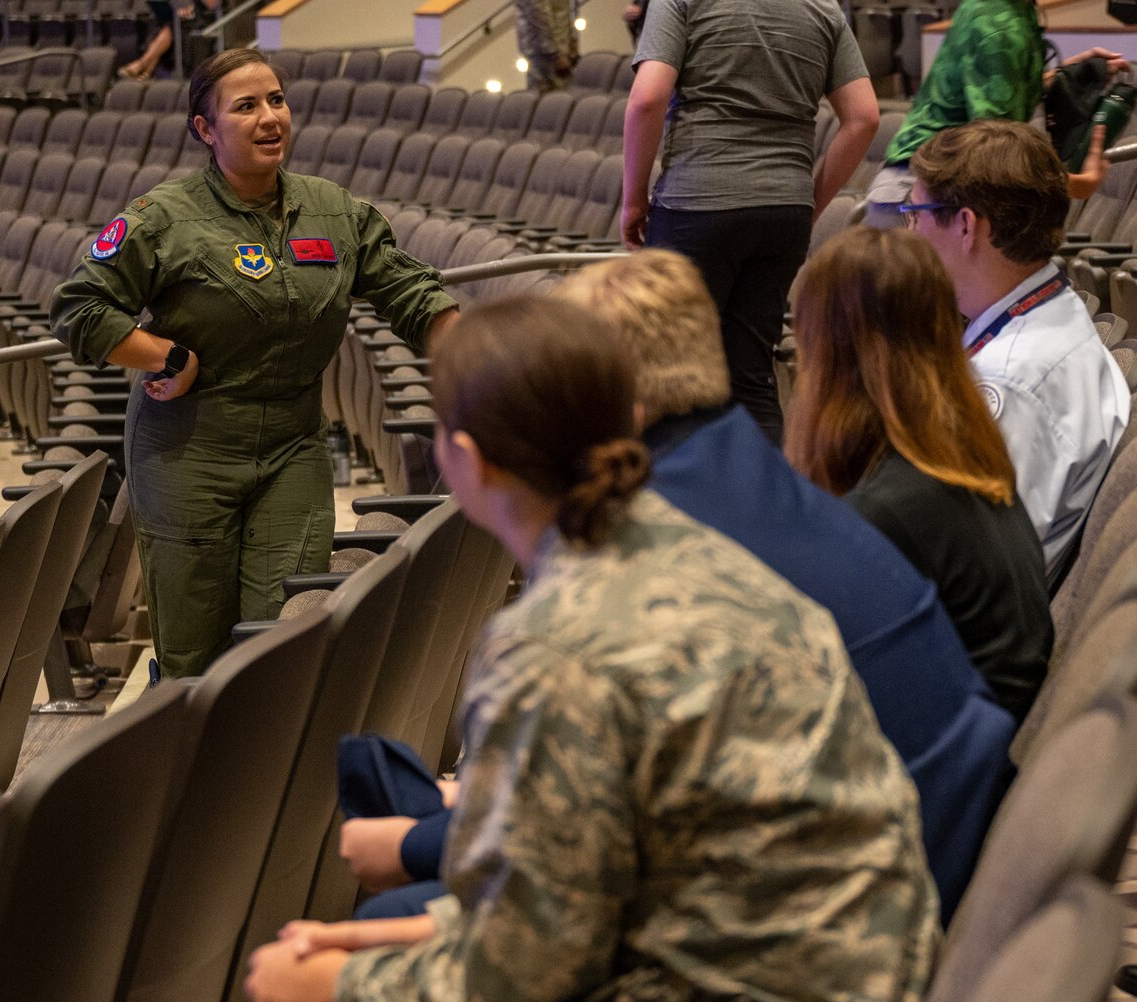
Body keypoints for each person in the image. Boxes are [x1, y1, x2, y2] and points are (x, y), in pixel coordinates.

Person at [164, 295, 942, 1002]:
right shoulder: (702, 558)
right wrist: (378, 944)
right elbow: (576, 898)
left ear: (464, 461)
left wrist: (334, 985)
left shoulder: (555, 650)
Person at [341, 249, 1018, 919]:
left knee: (398, 914)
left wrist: (422, 840)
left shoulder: (663, 531)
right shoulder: (731, 462)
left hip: (854, 897)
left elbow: (602, 825)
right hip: (889, 840)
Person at [52, 50, 457, 680]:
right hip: (188, 448)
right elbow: (79, 307)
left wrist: (481, 355)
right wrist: (164, 354)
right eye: (246, 107)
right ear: (205, 129)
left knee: (284, 640)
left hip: (292, 444)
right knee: (195, 652)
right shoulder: (164, 217)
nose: (270, 118)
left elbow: (411, 293)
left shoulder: (332, 210)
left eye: (277, 100)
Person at [787, 224, 1054, 724]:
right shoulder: (962, 462)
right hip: (980, 752)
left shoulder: (889, 512)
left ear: (829, 355)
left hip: (943, 781)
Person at [622, 0, 881, 444]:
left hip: (697, 201)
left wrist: (632, 201)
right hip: (785, 212)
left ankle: (677, 509)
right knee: (751, 379)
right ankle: (767, 509)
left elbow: (648, 98)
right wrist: (809, 202)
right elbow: (864, 117)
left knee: (668, 379)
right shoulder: (823, 7)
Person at [903, 118, 1130, 579]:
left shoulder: (1012, 381)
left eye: (916, 215)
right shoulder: (1045, 315)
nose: (909, 235)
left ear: (965, 225)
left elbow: (976, 569)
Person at [860, 0, 1125, 228]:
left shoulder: (1005, 9)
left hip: (934, 192)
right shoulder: (1001, 27)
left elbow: (992, 86)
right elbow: (999, 159)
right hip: (924, 197)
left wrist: (1061, 75)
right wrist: (1081, 184)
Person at [515, 0, 577, 91]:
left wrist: (572, 40)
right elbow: (539, 15)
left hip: (554, 47)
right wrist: (555, 53)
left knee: (559, 97)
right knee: (549, 97)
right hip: (543, 51)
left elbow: (565, 11)